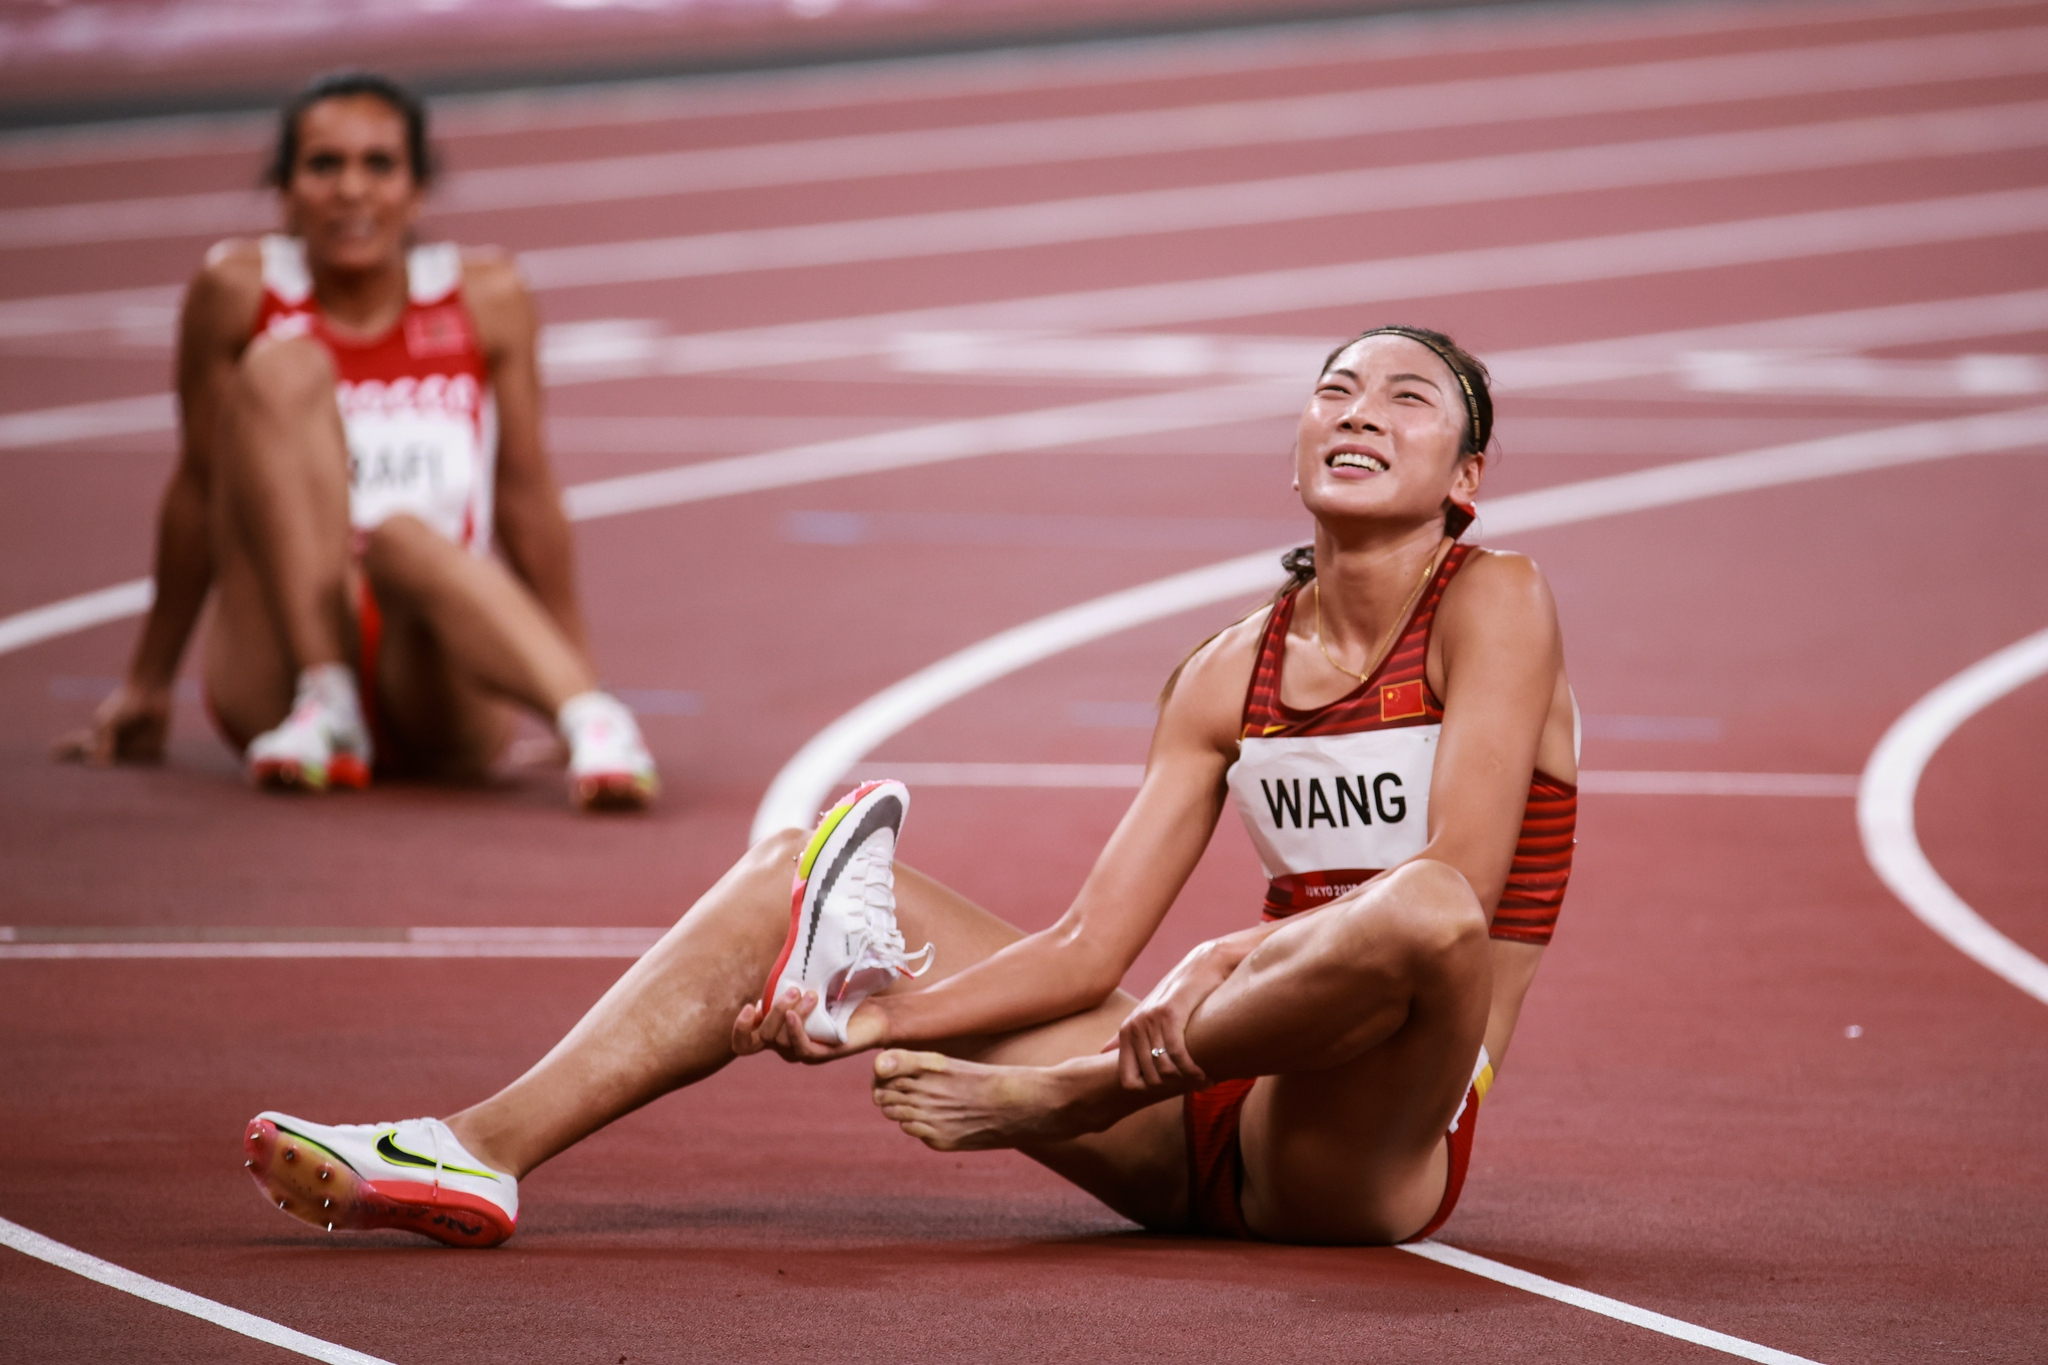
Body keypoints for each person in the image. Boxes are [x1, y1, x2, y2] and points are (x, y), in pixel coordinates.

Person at [243, 325, 1577, 1247]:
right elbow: (1083, 946)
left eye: (1408, 399)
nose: (1359, 411)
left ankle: (1080, 1092)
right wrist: (885, 1020)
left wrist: (1181, 994)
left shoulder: (1497, 601)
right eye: (1337, 389)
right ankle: (472, 1146)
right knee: (795, 871)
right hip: (1197, 1109)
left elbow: (1450, 887)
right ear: (1297, 451)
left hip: (1375, 1135)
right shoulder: (1224, 672)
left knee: (1422, 913)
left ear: (1464, 482)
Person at [56, 71, 656, 810]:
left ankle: (594, 720)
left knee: (400, 535)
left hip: (431, 655)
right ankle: (327, 700)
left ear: (417, 189)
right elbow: (199, 485)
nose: (351, 190)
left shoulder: (488, 297)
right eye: (323, 165)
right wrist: (148, 683)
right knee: (284, 364)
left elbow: (526, 493)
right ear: (284, 188)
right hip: (281, 660)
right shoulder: (237, 291)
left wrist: (569, 669)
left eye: (379, 164)